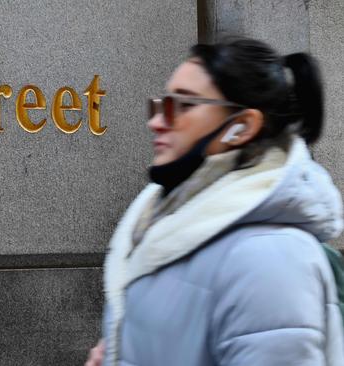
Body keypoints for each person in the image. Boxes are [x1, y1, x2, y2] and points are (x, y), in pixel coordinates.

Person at [85, 36, 344, 366]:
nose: (156, 121)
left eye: (185, 105)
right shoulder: (170, 228)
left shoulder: (268, 256)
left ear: (242, 126)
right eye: (161, 103)